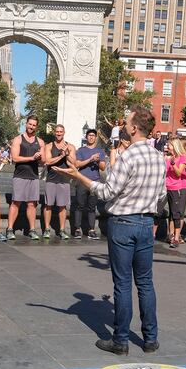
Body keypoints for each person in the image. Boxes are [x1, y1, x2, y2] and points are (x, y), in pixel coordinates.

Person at [53, 107, 166, 355]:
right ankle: (150, 338)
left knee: (123, 283)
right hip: (146, 223)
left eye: (126, 123)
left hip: (123, 224)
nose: (123, 126)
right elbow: (161, 196)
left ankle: (121, 340)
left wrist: (77, 176)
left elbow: (106, 192)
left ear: (135, 128)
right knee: (146, 283)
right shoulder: (160, 157)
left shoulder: (128, 157)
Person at [7, 115, 44, 240]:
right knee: (15, 203)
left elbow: (44, 161)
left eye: (34, 125)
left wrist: (40, 157)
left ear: (36, 127)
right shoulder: (18, 139)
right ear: (26, 124)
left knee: (32, 204)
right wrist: (31, 158)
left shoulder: (40, 142)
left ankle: (32, 230)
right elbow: (15, 158)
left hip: (33, 176)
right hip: (20, 176)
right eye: (30, 124)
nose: (31, 127)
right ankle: (10, 229)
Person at [43, 124, 75, 239]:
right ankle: (47, 229)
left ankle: (62, 230)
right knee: (48, 205)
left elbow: (74, 163)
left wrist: (66, 155)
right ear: (54, 133)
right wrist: (61, 156)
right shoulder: (49, 146)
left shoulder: (70, 147)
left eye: (61, 131)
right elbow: (47, 161)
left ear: (64, 132)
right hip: (51, 179)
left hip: (64, 180)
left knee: (62, 206)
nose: (59, 133)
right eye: (57, 131)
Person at [73, 128, 107, 239]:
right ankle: (77, 229)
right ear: (86, 137)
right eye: (89, 135)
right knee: (79, 206)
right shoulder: (81, 150)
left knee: (92, 207)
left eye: (93, 135)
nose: (91, 137)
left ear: (96, 138)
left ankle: (91, 230)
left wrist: (97, 160)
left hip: (94, 182)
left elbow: (103, 167)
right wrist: (90, 159)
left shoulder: (100, 151)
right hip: (82, 181)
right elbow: (77, 164)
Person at [163, 137, 186, 248]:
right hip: (167, 187)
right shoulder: (169, 157)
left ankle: (176, 237)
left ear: (174, 146)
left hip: (179, 188)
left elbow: (178, 173)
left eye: (169, 145)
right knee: (170, 213)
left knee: (177, 213)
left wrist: (173, 164)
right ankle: (170, 235)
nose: (167, 146)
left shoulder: (183, 157)